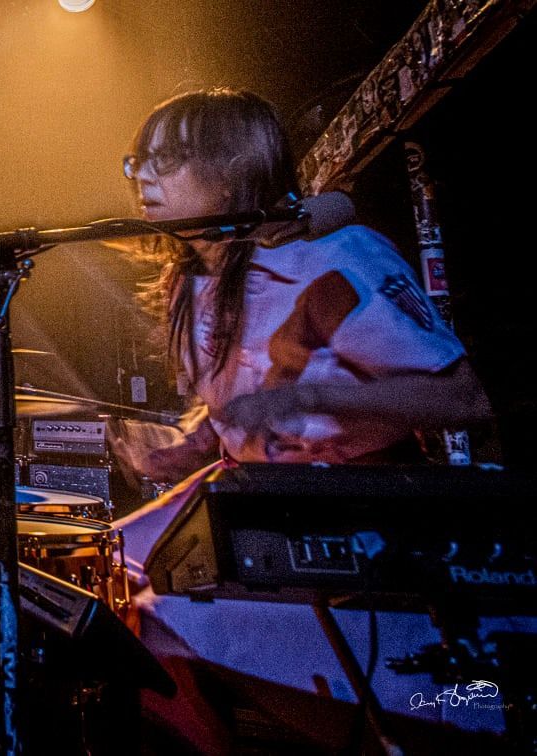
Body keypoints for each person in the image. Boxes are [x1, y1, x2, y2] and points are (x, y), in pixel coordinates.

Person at [107, 88, 506, 750]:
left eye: (169, 158)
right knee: (102, 564)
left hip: (364, 514)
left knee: (159, 618)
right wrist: (189, 442)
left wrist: (314, 400)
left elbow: (462, 397)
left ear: (236, 166)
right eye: (137, 161)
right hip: (265, 500)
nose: (144, 177)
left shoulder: (331, 260)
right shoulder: (193, 285)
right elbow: (240, 408)